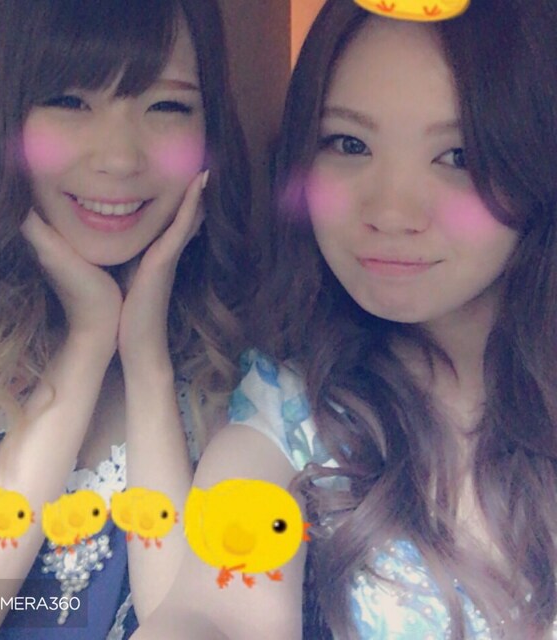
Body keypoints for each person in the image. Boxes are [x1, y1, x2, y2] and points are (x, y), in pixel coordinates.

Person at [130, 0, 557, 638]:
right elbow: (212, 610)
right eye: (349, 144)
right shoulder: (295, 409)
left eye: (458, 155)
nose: (390, 211)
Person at [0, 0, 251, 638]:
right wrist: (89, 343)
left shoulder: (243, 344)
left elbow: (188, 621)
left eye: (167, 106)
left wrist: (147, 363)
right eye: (69, 101)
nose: (119, 158)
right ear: (1, 114)